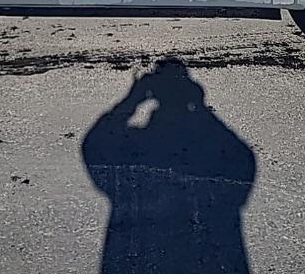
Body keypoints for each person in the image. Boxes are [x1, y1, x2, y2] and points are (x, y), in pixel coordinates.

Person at [82, 58, 256, 273]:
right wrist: (202, 110)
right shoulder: (208, 150)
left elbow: (95, 146)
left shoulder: (134, 149)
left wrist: (132, 99)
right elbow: (242, 161)